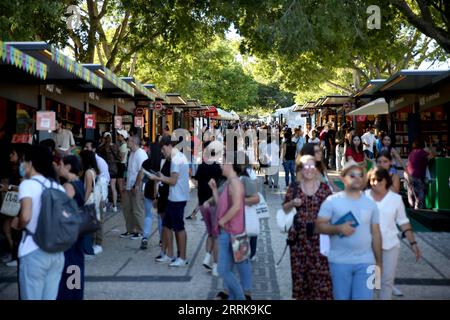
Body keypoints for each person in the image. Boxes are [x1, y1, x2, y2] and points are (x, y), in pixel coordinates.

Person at [316, 160, 382, 300]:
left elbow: (376, 234)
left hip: (367, 262)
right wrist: (337, 228)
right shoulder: (332, 201)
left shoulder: (371, 204)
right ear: (342, 178)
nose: (357, 178)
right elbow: (319, 226)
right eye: (352, 175)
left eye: (360, 175)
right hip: (339, 262)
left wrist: (379, 263)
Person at [11, 145, 65, 300]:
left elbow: (26, 216)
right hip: (56, 252)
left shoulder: (27, 185)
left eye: (23, 161)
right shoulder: (57, 186)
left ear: (31, 163)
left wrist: (17, 224)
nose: (22, 165)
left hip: (33, 250)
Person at [365, 167, 421, 300]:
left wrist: (413, 243)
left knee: (387, 281)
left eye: (379, 180)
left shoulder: (395, 199)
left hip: (390, 245)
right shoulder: (365, 197)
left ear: (386, 181)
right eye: (372, 180)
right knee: (371, 283)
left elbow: (404, 222)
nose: (375, 183)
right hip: (368, 247)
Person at [282, 155, 333, 300]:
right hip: (299, 241)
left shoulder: (324, 189)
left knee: (320, 280)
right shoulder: (294, 188)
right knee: (300, 280)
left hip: (319, 241)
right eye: (306, 166)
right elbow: (284, 208)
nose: (309, 169)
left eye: (312, 166)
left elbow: (333, 212)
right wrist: (292, 203)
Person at [206, 151, 251, 300]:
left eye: (223, 161)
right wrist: (213, 190)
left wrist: (222, 221)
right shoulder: (229, 183)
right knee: (227, 269)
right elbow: (221, 206)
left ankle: (241, 298)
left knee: (223, 270)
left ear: (230, 164)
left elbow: (237, 206)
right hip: (228, 233)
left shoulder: (236, 183)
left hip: (233, 233)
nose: (220, 164)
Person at [150, 135, 190, 267]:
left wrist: (161, 178)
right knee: (167, 226)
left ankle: (182, 257)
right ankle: (170, 254)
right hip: (174, 198)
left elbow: (173, 181)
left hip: (178, 199)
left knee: (179, 228)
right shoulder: (179, 157)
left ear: (168, 146)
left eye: (163, 149)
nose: (162, 152)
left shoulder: (176, 159)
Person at [56, 155, 86, 300]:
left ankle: (69, 296)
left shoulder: (68, 186)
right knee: (76, 264)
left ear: (68, 167)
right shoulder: (79, 183)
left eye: (60, 164)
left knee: (69, 264)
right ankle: (75, 295)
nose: (58, 167)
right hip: (77, 230)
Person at [192, 141, 223, 274]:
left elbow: (196, 182)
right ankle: (215, 265)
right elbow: (221, 187)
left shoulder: (201, 166)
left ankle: (207, 257)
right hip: (213, 204)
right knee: (216, 235)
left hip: (202, 203)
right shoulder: (218, 168)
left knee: (210, 232)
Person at [0, 144, 28, 267]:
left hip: (19, 203)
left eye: (13, 153)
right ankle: (14, 254)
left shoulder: (22, 168)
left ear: (19, 155)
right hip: (14, 203)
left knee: (10, 228)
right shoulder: (16, 167)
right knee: (8, 228)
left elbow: (23, 187)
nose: (10, 155)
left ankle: (17, 256)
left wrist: (9, 187)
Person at [83, 141, 109, 255]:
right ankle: (94, 243)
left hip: (98, 196)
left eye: (87, 147)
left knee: (98, 220)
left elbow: (104, 180)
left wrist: (104, 197)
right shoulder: (92, 169)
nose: (85, 148)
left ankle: (98, 244)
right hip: (96, 196)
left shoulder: (98, 164)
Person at [121, 135, 148, 239]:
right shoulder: (131, 153)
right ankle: (130, 230)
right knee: (127, 209)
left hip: (137, 186)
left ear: (133, 142)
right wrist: (125, 184)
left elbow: (142, 172)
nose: (127, 142)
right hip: (129, 185)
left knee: (137, 209)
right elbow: (129, 170)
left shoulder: (141, 154)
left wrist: (136, 186)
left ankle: (140, 231)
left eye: (128, 141)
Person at [139, 138, 161, 250]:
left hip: (148, 191)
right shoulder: (163, 162)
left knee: (148, 215)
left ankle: (145, 238)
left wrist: (139, 189)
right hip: (161, 193)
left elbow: (142, 178)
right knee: (160, 217)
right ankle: (162, 240)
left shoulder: (146, 162)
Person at [79, 150, 100, 258]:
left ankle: (87, 250)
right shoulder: (93, 170)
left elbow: (88, 189)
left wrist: (82, 201)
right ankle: (88, 248)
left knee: (85, 227)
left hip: (88, 200)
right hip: (92, 200)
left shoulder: (87, 172)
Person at [405, 137, 433, 210]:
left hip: (408, 174)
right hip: (416, 175)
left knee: (411, 192)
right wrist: (429, 150)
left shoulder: (412, 152)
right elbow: (431, 157)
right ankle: (418, 209)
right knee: (420, 192)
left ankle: (412, 208)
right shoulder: (421, 152)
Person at [98, 132, 121, 213]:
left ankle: (104, 207)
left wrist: (102, 143)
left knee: (103, 187)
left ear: (104, 138)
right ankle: (114, 206)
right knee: (113, 187)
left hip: (104, 169)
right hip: (113, 168)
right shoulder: (115, 146)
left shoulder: (101, 147)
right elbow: (119, 156)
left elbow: (98, 157)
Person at [115, 130, 129, 212]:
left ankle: (124, 201)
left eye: (119, 135)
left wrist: (115, 155)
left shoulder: (123, 145)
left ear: (123, 137)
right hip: (121, 165)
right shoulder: (122, 144)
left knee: (120, 184)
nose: (117, 136)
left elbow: (122, 158)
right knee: (120, 183)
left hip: (121, 165)